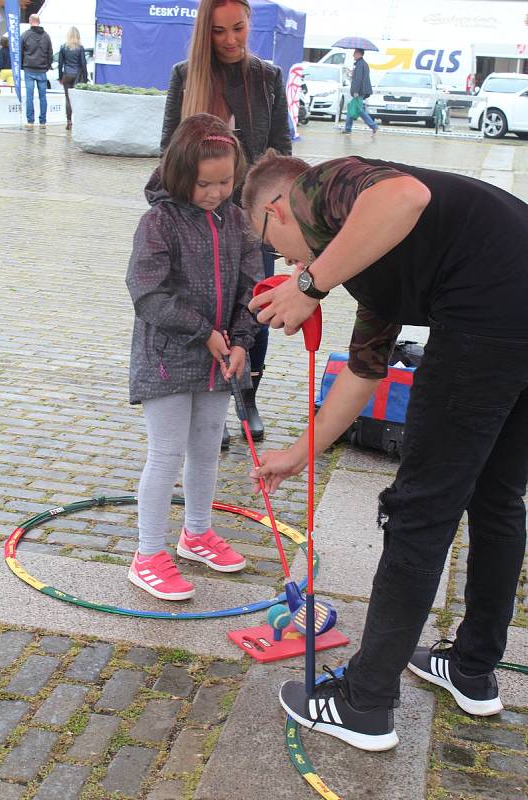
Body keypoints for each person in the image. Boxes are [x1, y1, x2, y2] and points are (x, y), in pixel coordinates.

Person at [243, 150, 528, 751]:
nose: (285, 259)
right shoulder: (373, 263)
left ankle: (365, 703)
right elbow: (364, 373)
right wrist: (301, 452)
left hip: (487, 318)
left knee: (420, 510)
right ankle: (473, 670)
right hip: (513, 311)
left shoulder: (320, 187)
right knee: (498, 498)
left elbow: (405, 196)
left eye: (276, 245)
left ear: (277, 210)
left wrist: (306, 284)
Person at [126, 113, 263, 600]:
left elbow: (252, 286)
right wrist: (203, 331)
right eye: (206, 184)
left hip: (219, 358)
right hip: (167, 358)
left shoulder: (238, 221)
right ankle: (146, 555)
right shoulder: (158, 222)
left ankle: (197, 533)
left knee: (206, 449)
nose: (216, 192)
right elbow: (147, 293)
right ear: (181, 175)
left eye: (226, 181)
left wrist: (243, 339)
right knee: (166, 454)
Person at [160, 0, 292, 448]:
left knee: (253, 304)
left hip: (253, 220)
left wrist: (278, 214)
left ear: (250, 24)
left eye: (238, 28)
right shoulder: (185, 75)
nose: (231, 40)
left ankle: (247, 396)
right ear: (205, 33)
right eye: (219, 32)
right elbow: (168, 150)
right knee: (201, 307)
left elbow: (280, 150)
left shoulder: (268, 77)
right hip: (194, 218)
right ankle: (207, 401)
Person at [21, 14, 53, 128]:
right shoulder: (46, 36)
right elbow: (50, 53)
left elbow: (20, 52)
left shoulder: (25, 35)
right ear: (39, 22)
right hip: (42, 70)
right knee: (43, 96)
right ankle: (43, 122)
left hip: (29, 69)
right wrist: (47, 66)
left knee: (29, 96)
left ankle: (30, 121)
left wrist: (22, 65)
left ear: (30, 21)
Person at [58, 27, 88, 130]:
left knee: (68, 99)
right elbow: (83, 64)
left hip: (67, 75)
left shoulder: (63, 47)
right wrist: (86, 78)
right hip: (77, 76)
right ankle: (78, 121)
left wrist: (60, 77)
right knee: (77, 99)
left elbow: (60, 64)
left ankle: (69, 121)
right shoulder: (80, 48)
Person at [344, 48, 378, 135]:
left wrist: (355, 91)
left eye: (355, 53)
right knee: (352, 108)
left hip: (358, 91)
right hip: (361, 91)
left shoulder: (360, 64)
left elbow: (358, 79)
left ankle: (373, 125)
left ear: (359, 54)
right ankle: (348, 128)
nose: (353, 55)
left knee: (359, 110)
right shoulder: (362, 64)